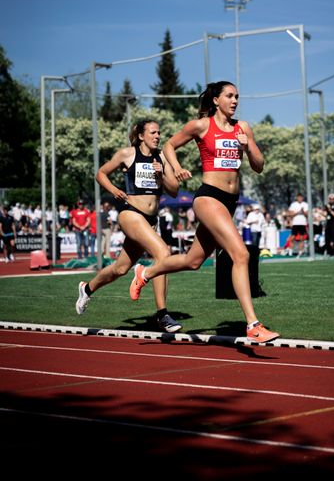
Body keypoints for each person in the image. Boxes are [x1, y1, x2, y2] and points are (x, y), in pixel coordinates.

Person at [129, 81, 280, 344]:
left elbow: (259, 166)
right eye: (229, 96)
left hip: (230, 201)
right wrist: (174, 168)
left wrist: (247, 147)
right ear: (215, 100)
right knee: (240, 254)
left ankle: (146, 273)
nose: (235, 101)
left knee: (193, 261)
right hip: (209, 197)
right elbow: (168, 147)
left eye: (237, 96)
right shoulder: (201, 125)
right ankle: (253, 325)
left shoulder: (242, 128)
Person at [75, 119, 182, 333]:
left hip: (150, 220)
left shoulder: (162, 157)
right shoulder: (128, 154)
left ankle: (87, 289)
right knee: (163, 254)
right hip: (130, 213)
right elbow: (101, 174)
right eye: (152, 132)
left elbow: (174, 190)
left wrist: (161, 174)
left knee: (121, 268)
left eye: (159, 132)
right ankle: (162, 315)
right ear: (141, 135)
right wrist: (114, 190)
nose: (157, 136)